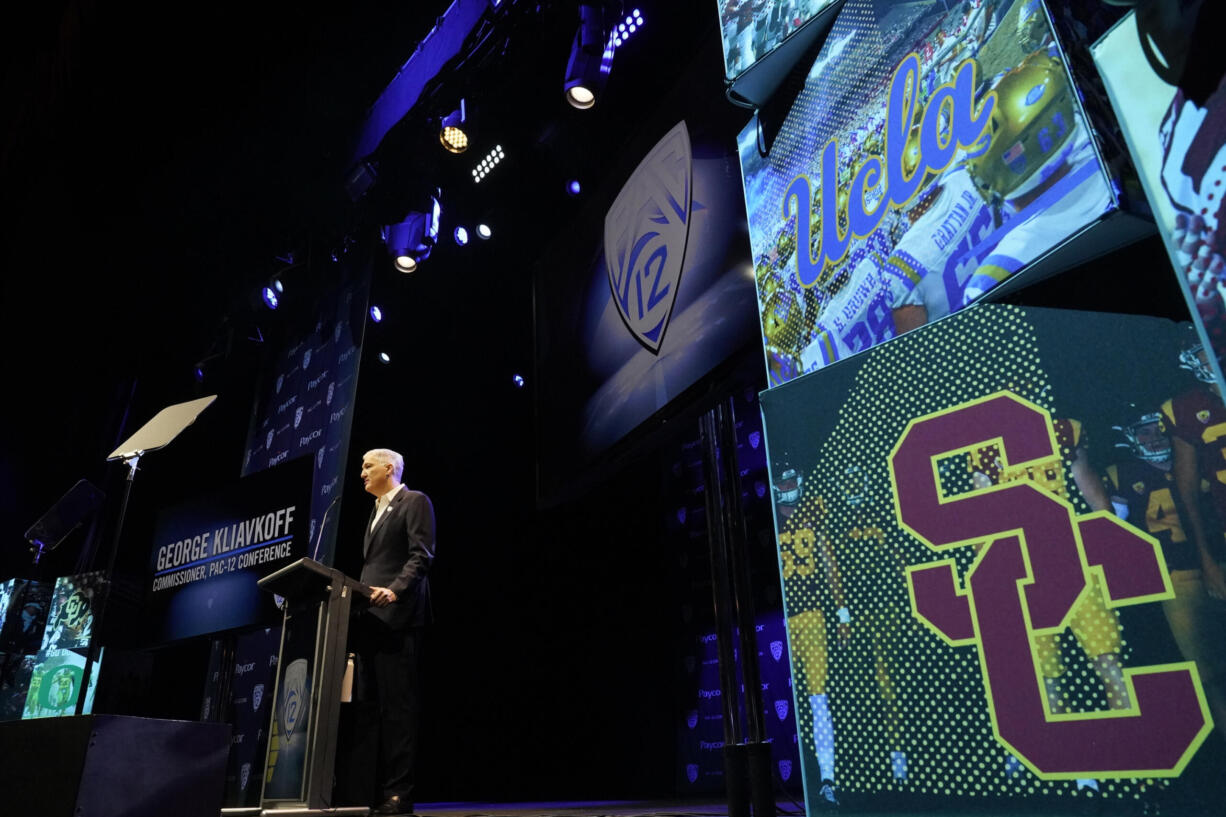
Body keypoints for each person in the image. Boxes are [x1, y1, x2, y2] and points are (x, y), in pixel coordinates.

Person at [352, 448, 435, 816]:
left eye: (368, 466)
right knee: (373, 710)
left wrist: (395, 590)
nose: (362, 473)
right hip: (370, 620)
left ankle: (399, 793)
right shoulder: (375, 511)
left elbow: (421, 555)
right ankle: (369, 790)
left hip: (398, 618)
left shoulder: (413, 501)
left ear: (389, 468)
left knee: (398, 710)